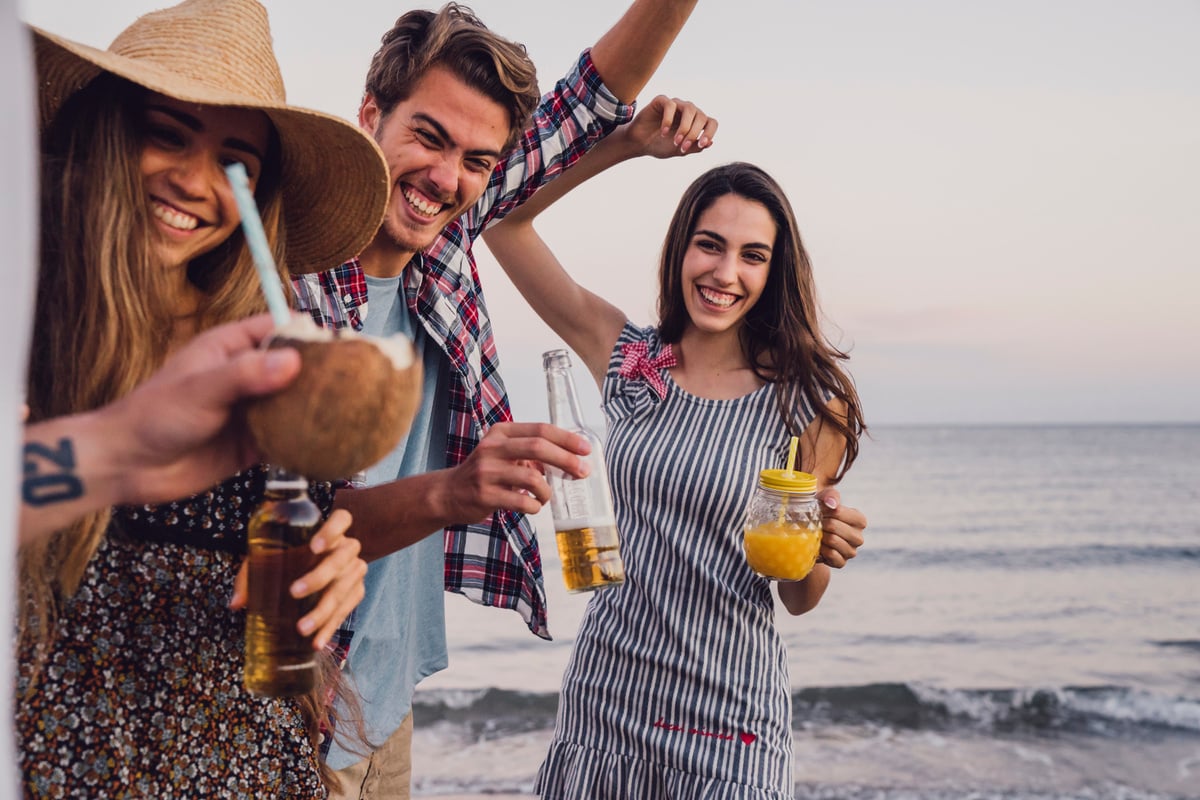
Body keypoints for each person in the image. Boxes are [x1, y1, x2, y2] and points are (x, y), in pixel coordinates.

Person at [288, 3, 702, 796]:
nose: (447, 178)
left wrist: (624, 135)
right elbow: (284, 523)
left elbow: (590, 99)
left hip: (387, 695)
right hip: (299, 703)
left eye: (477, 160)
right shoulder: (290, 280)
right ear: (370, 114)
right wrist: (454, 491)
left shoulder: (444, 231)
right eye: (429, 136)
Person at [18, 0, 391, 795]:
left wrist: (336, 566)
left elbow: (298, 534)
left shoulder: (259, 350)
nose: (195, 181)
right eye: (166, 132)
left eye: (236, 164)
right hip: (67, 759)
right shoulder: (19, 319)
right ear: (102, 129)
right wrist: (116, 446)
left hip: (244, 761)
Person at [482, 103, 869, 797]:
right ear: (680, 248)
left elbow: (798, 598)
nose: (725, 272)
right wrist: (623, 144)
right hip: (607, 707)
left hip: (729, 728)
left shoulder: (809, 404)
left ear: (774, 272)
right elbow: (504, 221)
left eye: (753, 256)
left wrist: (819, 550)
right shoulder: (627, 356)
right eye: (709, 244)